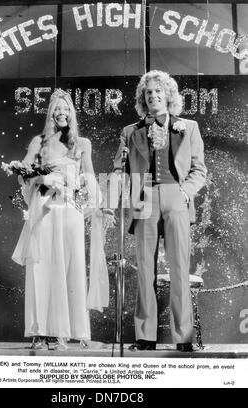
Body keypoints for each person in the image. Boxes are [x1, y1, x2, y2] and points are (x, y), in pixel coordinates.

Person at [113, 70, 207, 352]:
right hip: (144, 197)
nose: (153, 96)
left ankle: (184, 337)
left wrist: (184, 192)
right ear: (143, 99)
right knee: (144, 269)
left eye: (157, 91)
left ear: (168, 95)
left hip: (176, 197)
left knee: (179, 268)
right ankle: (145, 336)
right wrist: (121, 164)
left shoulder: (187, 127)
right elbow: (121, 169)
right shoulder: (131, 131)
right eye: (148, 93)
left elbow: (198, 170)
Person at [12, 89, 113, 350]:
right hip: (45, 208)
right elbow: (23, 173)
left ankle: (63, 331)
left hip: (70, 210)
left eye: (66, 109)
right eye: (57, 109)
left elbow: (90, 178)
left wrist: (91, 200)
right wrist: (43, 178)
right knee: (41, 265)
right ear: (50, 114)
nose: (61, 113)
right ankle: (39, 331)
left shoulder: (82, 144)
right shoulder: (39, 142)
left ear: (72, 113)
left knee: (70, 266)